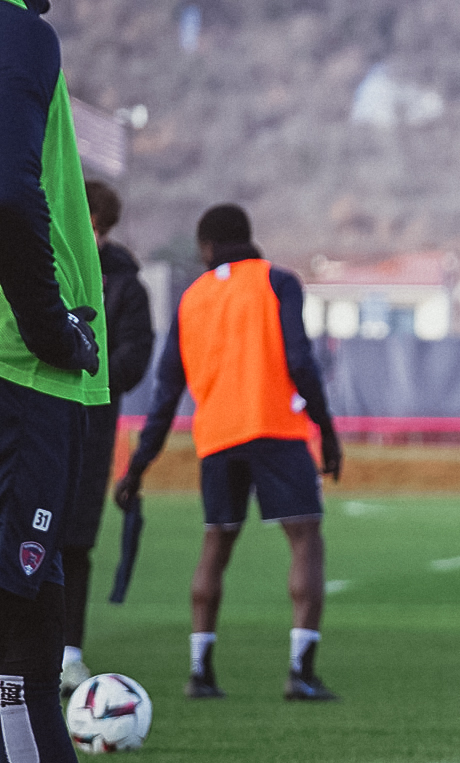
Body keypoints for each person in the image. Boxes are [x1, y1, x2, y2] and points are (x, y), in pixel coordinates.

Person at [0, 0, 159, 763]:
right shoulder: (14, 31)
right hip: (18, 386)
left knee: (20, 664)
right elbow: (8, 196)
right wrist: (54, 329)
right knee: (19, 660)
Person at [114, 204, 343, 701]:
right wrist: (326, 429)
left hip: (216, 437)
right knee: (305, 540)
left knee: (215, 544)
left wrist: (137, 466)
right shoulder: (277, 282)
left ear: (206, 247)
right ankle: (300, 672)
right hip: (275, 428)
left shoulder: (191, 298)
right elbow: (300, 360)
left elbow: (165, 392)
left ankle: (200, 672)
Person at [58, 181, 154, 696]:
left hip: (92, 424)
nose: (90, 235)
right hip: (33, 416)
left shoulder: (125, 284)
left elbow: (137, 354)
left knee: (74, 538)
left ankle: (70, 656)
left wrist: (86, 373)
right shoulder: (38, 258)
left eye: (98, 227)